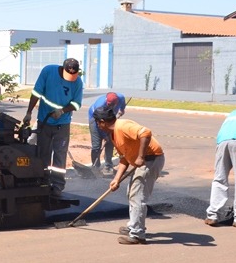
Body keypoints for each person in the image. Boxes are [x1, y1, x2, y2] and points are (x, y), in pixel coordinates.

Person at [93, 105, 165, 245]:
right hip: (145, 160)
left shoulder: (122, 126)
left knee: (137, 196)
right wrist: (116, 179)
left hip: (151, 159)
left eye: (97, 122)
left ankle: (137, 234)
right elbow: (124, 158)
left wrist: (140, 156)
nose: (97, 126)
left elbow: (146, 133)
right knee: (131, 193)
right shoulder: (114, 135)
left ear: (102, 122)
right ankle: (133, 225)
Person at [22, 58, 84, 196]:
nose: (71, 78)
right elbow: (36, 93)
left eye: (73, 75)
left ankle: (57, 186)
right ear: (62, 69)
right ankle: (43, 182)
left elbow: (76, 104)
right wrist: (29, 113)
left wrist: (62, 111)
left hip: (62, 124)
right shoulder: (48, 71)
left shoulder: (78, 82)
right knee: (43, 153)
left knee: (59, 156)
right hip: (44, 122)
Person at [88, 91, 126, 172]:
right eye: (109, 105)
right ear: (106, 101)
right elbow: (99, 125)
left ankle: (108, 166)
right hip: (95, 120)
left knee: (110, 143)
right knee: (96, 146)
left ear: (116, 102)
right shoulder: (100, 106)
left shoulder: (120, 97)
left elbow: (123, 103)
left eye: (112, 105)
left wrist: (122, 109)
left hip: (109, 119)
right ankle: (95, 167)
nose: (110, 106)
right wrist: (105, 135)